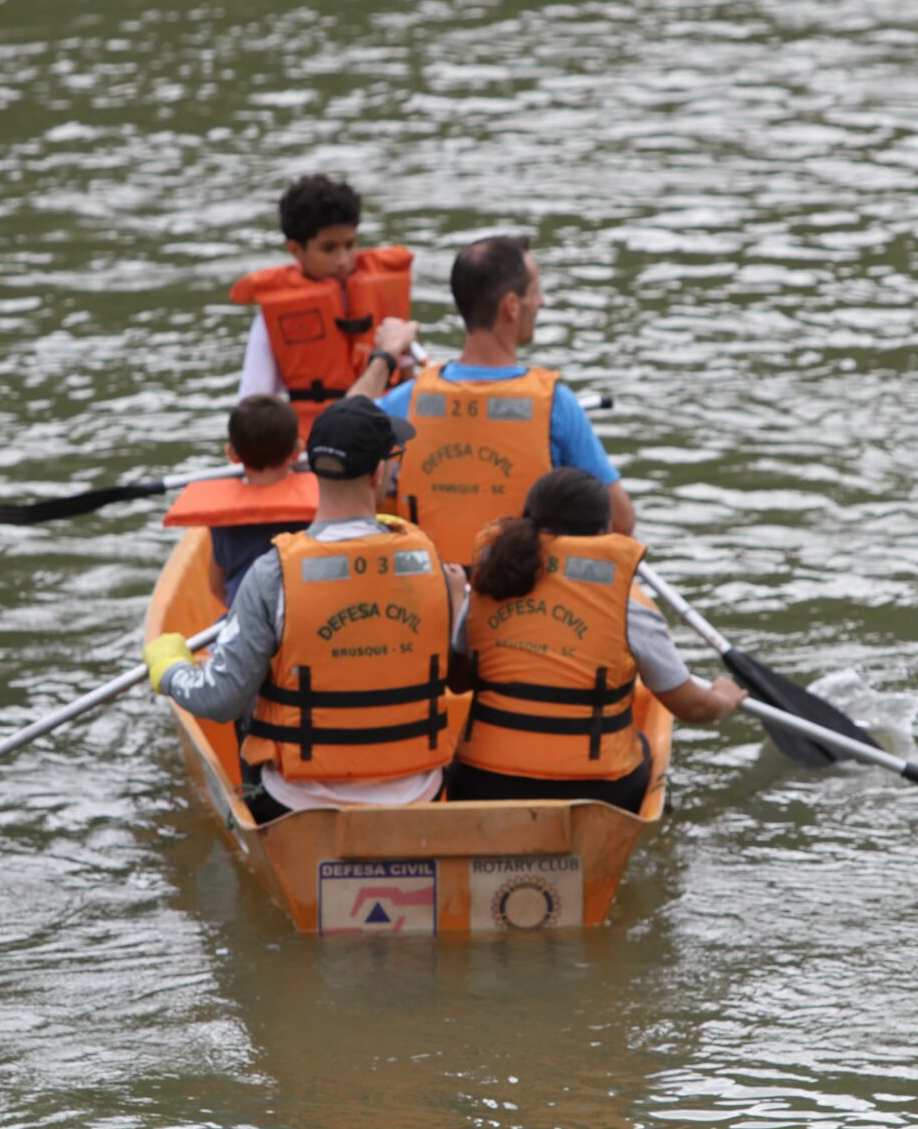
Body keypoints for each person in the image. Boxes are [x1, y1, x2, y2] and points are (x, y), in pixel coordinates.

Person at [144, 397, 467, 825]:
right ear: (377, 473)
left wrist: (169, 671)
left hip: (296, 805)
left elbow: (220, 699)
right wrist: (459, 602)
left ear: (311, 468)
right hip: (417, 796)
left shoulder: (271, 574)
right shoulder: (435, 568)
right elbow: (459, 673)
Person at [448, 467, 745, 811]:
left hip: (483, 784)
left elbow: (457, 682)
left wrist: (458, 602)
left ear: (526, 520)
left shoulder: (491, 584)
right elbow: (694, 707)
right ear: (604, 530)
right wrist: (724, 698)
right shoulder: (629, 605)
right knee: (645, 747)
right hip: (597, 793)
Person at [345, 234, 631, 565]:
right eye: (535, 291)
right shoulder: (556, 405)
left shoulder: (409, 399)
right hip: (519, 602)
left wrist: (385, 355)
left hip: (429, 596)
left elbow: (338, 431)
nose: (541, 302)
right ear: (511, 306)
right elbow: (621, 520)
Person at [228, 175, 416, 439]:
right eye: (328, 249)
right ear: (296, 250)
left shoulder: (381, 293)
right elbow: (254, 402)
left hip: (385, 438)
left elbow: (407, 382)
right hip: (317, 444)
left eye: (350, 245)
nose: (343, 260)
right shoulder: (273, 313)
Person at [160, 395, 318, 609]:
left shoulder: (222, 520)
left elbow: (216, 587)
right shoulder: (318, 507)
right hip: (306, 613)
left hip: (245, 623)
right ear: (297, 450)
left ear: (232, 453)